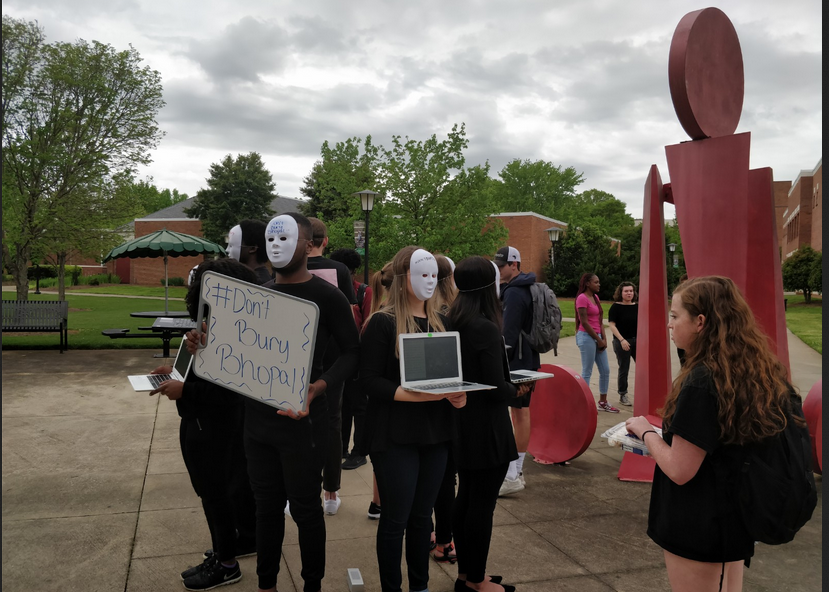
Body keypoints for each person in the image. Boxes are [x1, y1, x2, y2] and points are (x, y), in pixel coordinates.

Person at [188, 212, 360, 592]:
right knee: (266, 509)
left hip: (303, 426)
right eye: (271, 239)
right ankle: (267, 584)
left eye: (286, 239)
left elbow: (352, 352)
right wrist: (202, 345)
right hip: (257, 423)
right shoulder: (255, 294)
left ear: (308, 244)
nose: (277, 246)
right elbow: (228, 348)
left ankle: (311, 585)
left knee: (305, 510)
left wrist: (320, 385)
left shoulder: (327, 296)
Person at [625, 276, 801, 592]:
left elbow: (680, 469)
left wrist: (646, 433)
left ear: (700, 322)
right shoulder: (752, 371)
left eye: (675, 315)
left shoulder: (702, 381)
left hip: (699, 525)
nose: (669, 324)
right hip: (733, 520)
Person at [358, 245, 467, 592]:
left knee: (423, 518)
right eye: (423, 274)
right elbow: (369, 380)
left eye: (435, 275)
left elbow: (449, 377)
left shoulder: (443, 320)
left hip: (435, 434)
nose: (431, 281)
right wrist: (416, 395)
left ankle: (419, 585)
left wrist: (458, 395)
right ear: (405, 279)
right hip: (394, 436)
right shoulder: (382, 323)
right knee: (396, 518)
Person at [149, 258, 259, 591]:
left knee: (216, 495)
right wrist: (177, 367)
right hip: (201, 424)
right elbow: (207, 374)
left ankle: (226, 564)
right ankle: (227, 548)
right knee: (212, 495)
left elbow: (231, 393)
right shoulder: (212, 328)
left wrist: (186, 389)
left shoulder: (239, 336)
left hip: (217, 429)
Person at [449, 256, 523, 592]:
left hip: (460, 424)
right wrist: (519, 387)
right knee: (481, 507)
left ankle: (466, 575)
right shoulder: (485, 327)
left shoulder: (451, 320)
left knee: (465, 499)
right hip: (488, 429)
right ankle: (476, 581)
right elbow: (497, 388)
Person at [306, 217, 358, 515]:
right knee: (333, 421)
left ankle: (303, 489)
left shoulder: (286, 268)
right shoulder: (338, 270)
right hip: (334, 354)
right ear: (325, 241)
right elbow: (349, 313)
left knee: (298, 421)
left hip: (298, 352)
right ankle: (330, 493)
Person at [493, 246, 539, 495]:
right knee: (520, 413)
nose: (499, 270)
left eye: (502, 266)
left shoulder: (514, 292)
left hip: (518, 361)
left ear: (515, 264)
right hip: (527, 358)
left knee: (519, 414)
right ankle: (515, 471)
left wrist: (498, 361)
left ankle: (514, 473)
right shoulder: (524, 287)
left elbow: (507, 334)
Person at [329, 247, 373, 471]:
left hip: (357, 357)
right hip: (337, 357)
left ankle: (360, 451)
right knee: (342, 406)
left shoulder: (364, 292)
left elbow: (368, 324)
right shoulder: (330, 291)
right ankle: (342, 447)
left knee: (359, 406)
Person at [430, 252, 459, 563]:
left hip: (417, 406)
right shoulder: (455, 310)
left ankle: (429, 532)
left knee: (427, 478)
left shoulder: (415, 310)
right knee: (444, 479)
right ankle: (445, 542)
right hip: (448, 406)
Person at [575, 273, 617, 413]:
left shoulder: (596, 297)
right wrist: (598, 340)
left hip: (597, 336)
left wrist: (603, 339)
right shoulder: (582, 298)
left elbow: (599, 320)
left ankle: (603, 402)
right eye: (596, 282)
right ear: (587, 283)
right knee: (587, 371)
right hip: (586, 336)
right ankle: (583, 403)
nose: (599, 284)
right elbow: (584, 322)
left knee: (605, 370)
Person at [608, 281, 638, 407]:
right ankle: (623, 394)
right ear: (621, 292)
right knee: (624, 368)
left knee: (643, 368)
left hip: (637, 340)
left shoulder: (637, 306)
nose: (629, 293)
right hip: (622, 342)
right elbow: (612, 325)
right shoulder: (616, 307)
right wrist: (622, 340)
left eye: (631, 291)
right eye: (626, 291)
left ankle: (643, 392)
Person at [226, 219, 272, 284]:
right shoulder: (246, 278)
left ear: (252, 248)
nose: (227, 250)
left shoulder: (256, 284)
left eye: (231, 246)